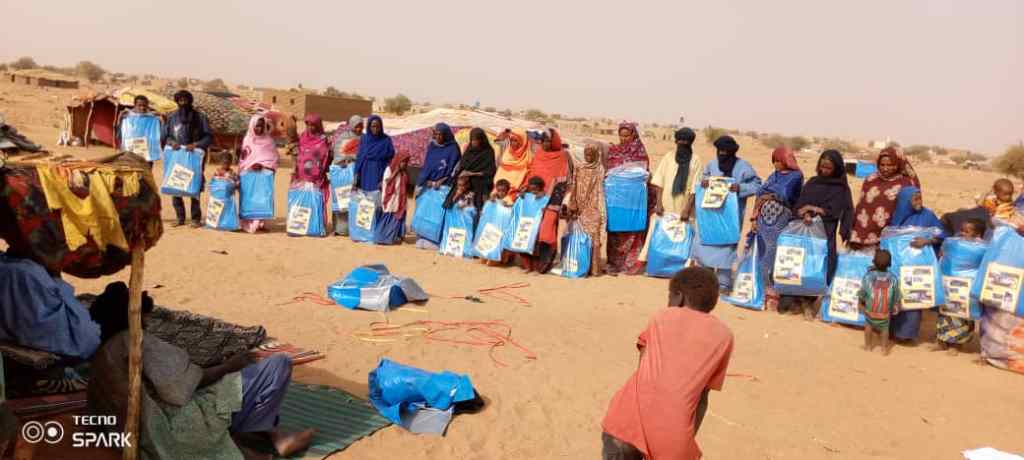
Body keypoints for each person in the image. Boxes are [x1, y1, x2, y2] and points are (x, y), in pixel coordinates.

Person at [86, 282, 314, 459]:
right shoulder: (134, 341)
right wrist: (228, 366)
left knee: (226, 384)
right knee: (277, 365)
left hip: (133, 432)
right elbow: (179, 390)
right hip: (167, 430)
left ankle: (266, 437)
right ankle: (266, 436)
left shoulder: (101, 355)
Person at [602, 267, 734, 460]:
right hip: (674, 440)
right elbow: (702, 398)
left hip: (624, 426)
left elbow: (644, 371)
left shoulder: (662, 317)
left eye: (669, 296)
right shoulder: (724, 336)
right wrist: (682, 441)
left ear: (679, 297)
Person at [691, 135, 763, 291]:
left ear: (732, 152)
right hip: (710, 216)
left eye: (725, 151)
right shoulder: (712, 164)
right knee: (706, 246)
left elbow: (757, 185)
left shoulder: (743, 167)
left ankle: (723, 283)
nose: (722, 154)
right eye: (720, 151)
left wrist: (741, 188)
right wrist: (704, 182)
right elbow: (703, 179)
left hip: (731, 217)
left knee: (726, 248)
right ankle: (706, 281)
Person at [0, 250, 100, 360]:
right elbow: (84, 343)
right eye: (78, 252)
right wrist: (55, 275)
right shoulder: (26, 274)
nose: (75, 259)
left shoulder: (21, 268)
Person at [792, 150, 855, 319]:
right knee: (803, 266)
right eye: (822, 167)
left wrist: (812, 209)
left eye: (828, 168)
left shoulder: (841, 188)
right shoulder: (812, 182)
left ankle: (812, 303)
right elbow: (800, 204)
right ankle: (801, 300)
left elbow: (837, 211)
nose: (824, 170)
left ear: (836, 168)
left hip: (825, 233)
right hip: (807, 233)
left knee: (822, 266)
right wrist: (804, 213)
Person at [888, 186, 946, 343]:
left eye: (920, 197)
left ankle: (906, 335)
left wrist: (927, 241)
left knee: (914, 298)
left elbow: (942, 234)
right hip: (898, 264)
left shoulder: (928, 215)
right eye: (915, 199)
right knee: (896, 296)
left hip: (917, 266)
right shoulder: (896, 216)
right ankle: (891, 332)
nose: (919, 201)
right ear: (905, 201)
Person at [639, 128, 703, 264]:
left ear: (691, 142)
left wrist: (687, 209)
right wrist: (659, 203)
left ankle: (680, 265)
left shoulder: (696, 160)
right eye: (680, 140)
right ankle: (648, 261)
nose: (682, 143)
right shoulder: (668, 157)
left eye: (686, 141)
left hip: (684, 205)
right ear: (676, 141)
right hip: (666, 202)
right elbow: (659, 181)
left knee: (682, 235)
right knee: (658, 230)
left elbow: (695, 187)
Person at [751, 147, 804, 311]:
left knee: (774, 252)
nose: (775, 164)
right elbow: (759, 192)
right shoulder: (773, 175)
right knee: (762, 251)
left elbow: (785, 194)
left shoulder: (796, 176)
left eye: (778, 161)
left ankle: (773, 293)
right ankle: (760, 290)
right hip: (763, 219)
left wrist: (768, 194)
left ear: (786, 161)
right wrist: (754, 217)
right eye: (773, 161)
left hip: (781, 219)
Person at [519, 129, 572, 274]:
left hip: (553, 199)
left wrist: (548, 196)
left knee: (546, 231)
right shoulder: (539, 154)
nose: (545, 144)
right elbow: (532, 174)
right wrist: (526, 188)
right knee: (530, 229)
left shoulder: (562, 156)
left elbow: (565, 180)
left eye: (548, 141)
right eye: (543, 141)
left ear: (554, 141)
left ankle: (543, 264)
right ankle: (529, 263)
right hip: (534, 198)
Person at [604, 122, 652, 275]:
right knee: (614, 232)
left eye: (626, 136)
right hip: (615, 200)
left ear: (633, 135)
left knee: (633, 231)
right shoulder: (613, 150)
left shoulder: (641, 152)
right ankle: (613, 264)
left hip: (633, 200)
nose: (623, 139)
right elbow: (608, 171)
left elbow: (645, 174)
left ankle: (630, 265)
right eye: (621, 135)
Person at [849, 147, 920, 248]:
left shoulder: (906, 183)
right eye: (882, 165)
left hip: (891, 236)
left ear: (898, 164)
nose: (885, 168)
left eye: (890, 165)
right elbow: (861, 208)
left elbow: (909, 210)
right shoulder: (870, 180)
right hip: (863, 236)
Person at [934, 219, 986, 355]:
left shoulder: (984, 248)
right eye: (961, 230)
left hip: (967, 286)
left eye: (967, 231)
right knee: (945, 312)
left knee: (962, 315)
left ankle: (957, 345)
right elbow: (942, 255)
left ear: (978, 234)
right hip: (949, 282)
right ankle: (941, 341)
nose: (962, 233)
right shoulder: (952, 243)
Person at [161, 90, 213, 228]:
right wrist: (172, 143)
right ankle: (180, 218)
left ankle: (195, 219)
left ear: (190, 101)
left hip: (194, 157)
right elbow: (165, 136)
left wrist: (196, 145)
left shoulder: (200, 117)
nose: (183, 103)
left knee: (195, 186)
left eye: (186, 100)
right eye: (180, 100)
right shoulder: (171, 117)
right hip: (176, 156)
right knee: (176, 183)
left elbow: (208, 137)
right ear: (177, 102)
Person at [567, 142, 608, 276]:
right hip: (580, 207)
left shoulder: (600, 169)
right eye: (586, 155)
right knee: (580, 237)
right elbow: (574, 185)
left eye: (591, 155)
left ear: (596, 155)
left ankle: (594, 269)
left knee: (594, 238)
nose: (588, 157)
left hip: (595, 206)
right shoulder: (579, 167)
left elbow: (601, 189)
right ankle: (581, 266)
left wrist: (599, 207)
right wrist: (573, 202)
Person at [238, 114, 280, 234]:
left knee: (262, 198)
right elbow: (244, 158)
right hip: (248, 175)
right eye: (257, 126)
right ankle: (247, 222)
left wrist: (263, 166)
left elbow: (274, 158)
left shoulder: (269, 141)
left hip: (264, 175)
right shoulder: (247, 140)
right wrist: (250, 166)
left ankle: (260, 224)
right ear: (252, 126)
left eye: (261, 126)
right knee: (248, 198)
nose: (259, 128)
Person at [292, 114, 333, 231]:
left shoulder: (323, 140)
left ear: (318, 126)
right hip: (301, 177)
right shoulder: (302, 138)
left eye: (313, 125)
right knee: (304, 202)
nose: (311, 128)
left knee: (316, 202)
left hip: (317, 179)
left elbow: (326, 157)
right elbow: (298, 155)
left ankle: (316, 226)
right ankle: (303, 225)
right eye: (308, 125)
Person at [859, 249, 900, 356]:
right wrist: (896, 305)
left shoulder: (868, 276)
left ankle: (868, 346)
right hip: (885, 312)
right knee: (885, 328)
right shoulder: (893, 278)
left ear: (873, 262)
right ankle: (884, 349)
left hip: (870, 310)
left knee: (868, 326)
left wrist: (860, 303)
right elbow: (896, 295)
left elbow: (863, 292)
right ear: (890, 264)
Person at [446, 127, 497, 211]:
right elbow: (463, 165)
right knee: (454, 197)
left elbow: (490, 171)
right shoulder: (469, 150)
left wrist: (472, 173)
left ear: (482, 140)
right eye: (472, 140)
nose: (474, 142)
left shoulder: (488, 152)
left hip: (479, 181)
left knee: (474, 204)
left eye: (476, 140)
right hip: (465, 180)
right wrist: (461, 173)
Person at [331, 115, 364, 236]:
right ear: (351, 125)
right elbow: (338, 154)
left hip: (358, 174)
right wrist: (346, 159)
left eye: (361, 126)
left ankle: (354, 228)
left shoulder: (365, 139)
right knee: (341, 199)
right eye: (356, 126)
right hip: (344, 174)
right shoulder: (343, 137)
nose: (359, 129)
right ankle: (340, 229)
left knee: (356, 200)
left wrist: (355, 159)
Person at [376, 151, 411, 245]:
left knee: (399, 216)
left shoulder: (404, 172)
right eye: (403, 161)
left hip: (400, 198)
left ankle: (395, 237)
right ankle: (381, 238)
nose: (404, 164)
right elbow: (387, 182)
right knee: (388, 216)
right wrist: (396, 171)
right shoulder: (389, 169)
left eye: (406, 162)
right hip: (391, 198)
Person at [353, 115, 395, 193]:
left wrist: (385, 177)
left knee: (377, 195)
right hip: (365, 172)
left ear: (381, 127)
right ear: (369, 126)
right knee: (365, 197)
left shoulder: (386, 140)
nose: (375, 129)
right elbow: (359, 157)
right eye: (373, 126)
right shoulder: (364, 139)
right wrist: (356, 175)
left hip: (379, 172)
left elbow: (391, 160)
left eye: (378, 126)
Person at [493, 128, 533, 203]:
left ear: (522, 142)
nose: (512, 143)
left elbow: (528, 177)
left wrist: (519, 189)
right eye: (511, 140)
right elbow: (500, 173)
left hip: (515, 193)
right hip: (499, 189)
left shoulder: (528, 158)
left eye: (515, 141)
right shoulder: (507, 154)